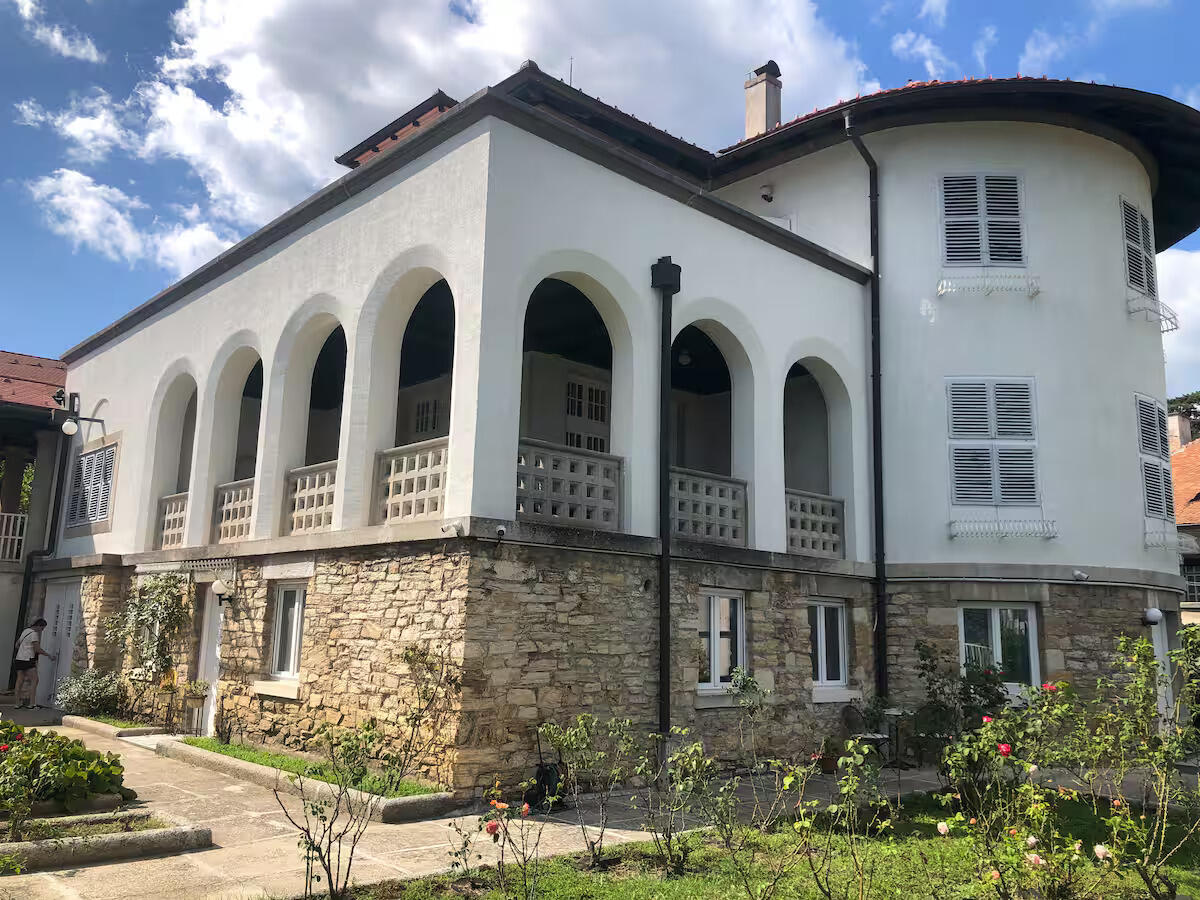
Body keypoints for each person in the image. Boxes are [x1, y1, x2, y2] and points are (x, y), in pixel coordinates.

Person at [14, 618, 53, 709]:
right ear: (39, 626)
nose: (42, 630)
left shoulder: (25, 631)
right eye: (42, 628)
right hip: (28, 659)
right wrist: (48, 655)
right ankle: (32, 703)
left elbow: (17, 644)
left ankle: (17, 703)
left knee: (19, 681)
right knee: (35, 680)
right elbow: (37, 649)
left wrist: (23, 649)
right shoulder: (34, 634)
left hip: (19, 659)